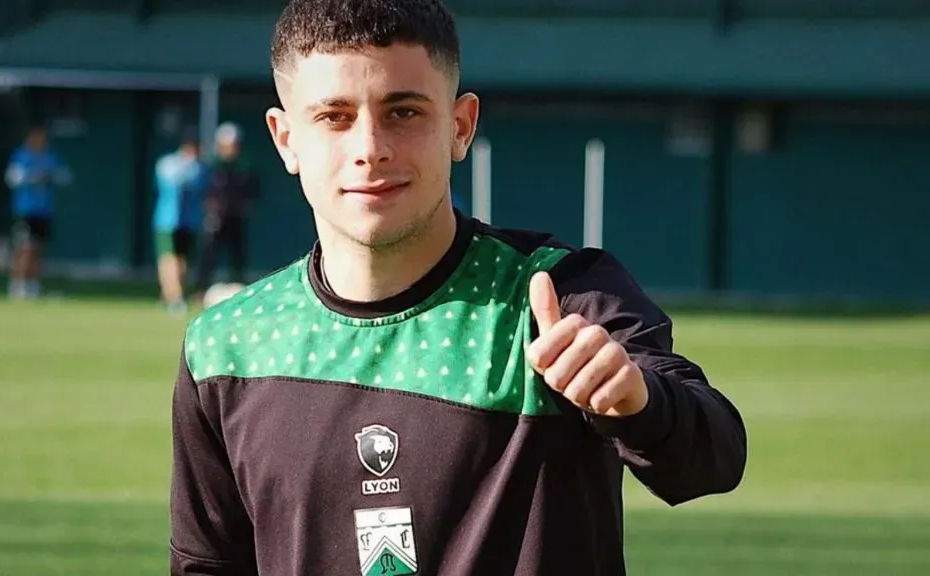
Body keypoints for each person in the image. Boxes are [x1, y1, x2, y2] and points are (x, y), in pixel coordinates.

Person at [168, 0, 747, 574]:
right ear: (286, 139)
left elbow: (713, 458)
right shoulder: (225, 349)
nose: (370, 149)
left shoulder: (559, 295)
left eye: (403, 112)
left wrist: (636, 401)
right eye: (334, 117)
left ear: (460, 126)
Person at [4, 124, 72, 300]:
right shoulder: (21, 156)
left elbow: (65, 177)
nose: (41, 141)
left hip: (44, 211)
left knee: (38, 249)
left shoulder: (50, 156)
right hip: (25, 211)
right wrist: (32, 176)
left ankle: (33, 285)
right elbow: (12, 178)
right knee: (24, 248)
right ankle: (18, 285)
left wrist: (50, 175)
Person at [194, 122, 260, 293]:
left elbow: (253, 190)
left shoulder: (244, 166)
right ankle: (200, 289)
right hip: (216, 217)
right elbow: (204, 191)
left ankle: (238, 288)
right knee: (209, 254)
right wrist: (210, 210)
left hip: (236, 217)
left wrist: (245, 205)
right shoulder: (212, 166)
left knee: (238, 254)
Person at [153, 130, 208, 315]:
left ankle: (171, 294)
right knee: (168, 258)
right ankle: (174, 296)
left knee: (182, 260)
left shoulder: (199, 168)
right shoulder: (169, 163)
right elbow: (171, 183)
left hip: (190, 221)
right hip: (168, 221)